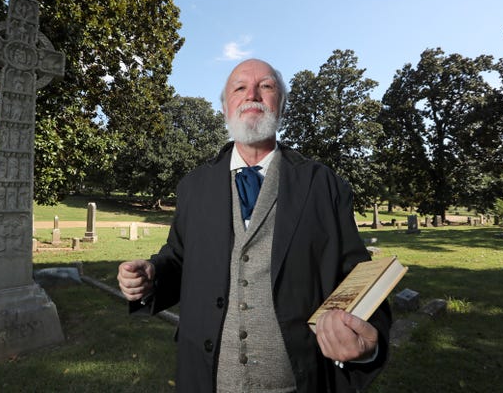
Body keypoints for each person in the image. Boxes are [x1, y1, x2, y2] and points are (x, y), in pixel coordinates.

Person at [118, 59, 391, 393]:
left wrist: (368, 343)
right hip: (204, 381)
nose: (253, 95)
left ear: (281, 105)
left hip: (297, 383)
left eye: (266, 86)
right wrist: (151, 277)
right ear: (224, 108)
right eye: (239, 87)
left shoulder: (325, 185)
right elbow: (178, 258)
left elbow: (358, 277)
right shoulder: (193, 186)